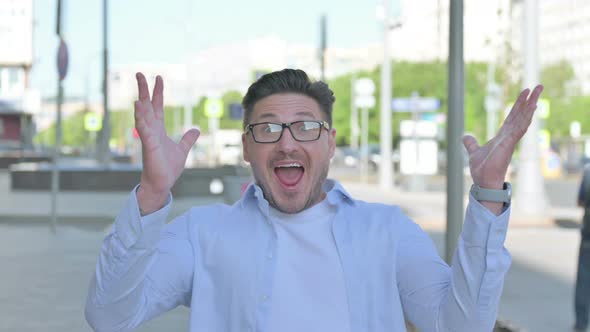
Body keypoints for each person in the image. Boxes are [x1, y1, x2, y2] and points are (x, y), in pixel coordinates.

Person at [85, 68, 543, 332]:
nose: (287, 144)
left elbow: (461, 326)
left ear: (330, 143)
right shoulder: (202, 233)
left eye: (305, 127)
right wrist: (153, 191)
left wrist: (487, 194)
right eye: (267, 129)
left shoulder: (386, 230)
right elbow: (108, 316)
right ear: (246, 147)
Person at [575, 163, 590, 332]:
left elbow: (580, 201)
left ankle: (581, 323)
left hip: (588, 233)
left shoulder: (588, 171)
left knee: (584, 279)